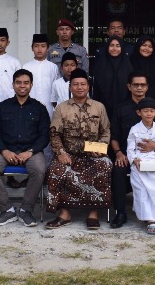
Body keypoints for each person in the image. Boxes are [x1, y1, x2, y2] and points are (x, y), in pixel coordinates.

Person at [109, 71, 155, 229]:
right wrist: (119, 153)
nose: (139, 87)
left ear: (147, 87)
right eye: (136, 84)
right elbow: (113, 135)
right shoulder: (121, 109)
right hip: (128, 154)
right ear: (129, 86)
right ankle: (120, 212)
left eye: (143, 85)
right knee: (118, 170)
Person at [46, 69, 112, 230]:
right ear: (70, 87)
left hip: (93, 154)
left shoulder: (99, 107)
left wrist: (100, 149)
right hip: (68, 153)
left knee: (104, 165)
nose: (79, 87)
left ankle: (93, 213)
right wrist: (60, 153)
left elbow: (106, 131)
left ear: (88, 87)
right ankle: (64, 213)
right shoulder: (61, 108)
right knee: (56, 168)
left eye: (83, 84)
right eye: (76, 84)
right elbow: (54, 133)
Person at [0, 69, 50, 227]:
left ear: (31, 85)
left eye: (26, 83)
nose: (22, 86)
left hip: (31, 151)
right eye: (18, 82)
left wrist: (30, 152)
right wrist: (4, 151)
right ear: (13, 85)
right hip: (5, 150)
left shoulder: (39, 108)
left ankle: (26, 210)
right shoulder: (2, 107)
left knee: (40, 169)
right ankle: (7, 210)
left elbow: (45, 135)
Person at [126, 97, 155, 235]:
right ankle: (150, 220)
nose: (149, 114)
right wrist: (135, 160)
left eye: (152, 111)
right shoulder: (134, 129)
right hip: (140, 164)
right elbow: (130, 149)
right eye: (145, 111)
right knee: (142, 193)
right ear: (139, 112)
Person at [92, 35, 133, 120]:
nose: (114, 48)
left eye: (118, 46)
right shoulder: (100, 64)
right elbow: (96, 88)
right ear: (107, 47)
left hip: (124, 106)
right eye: (111, 45)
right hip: (103, 107)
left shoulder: (128, 65)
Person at [23, 34, 59, 118]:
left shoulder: (53, 67)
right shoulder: (25, 67)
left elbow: (56, 90)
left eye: (43, 46)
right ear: (32, 48)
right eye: (36, 46)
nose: (39, 49)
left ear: (48, 48)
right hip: (29, 107)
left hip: (49, 108)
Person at [130, 35, 155, 108]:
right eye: (144, 45)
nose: (147, 48)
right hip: (132, 106)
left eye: (150, 46)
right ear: (138, 46)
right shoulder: (130, 63)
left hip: (154, 108)